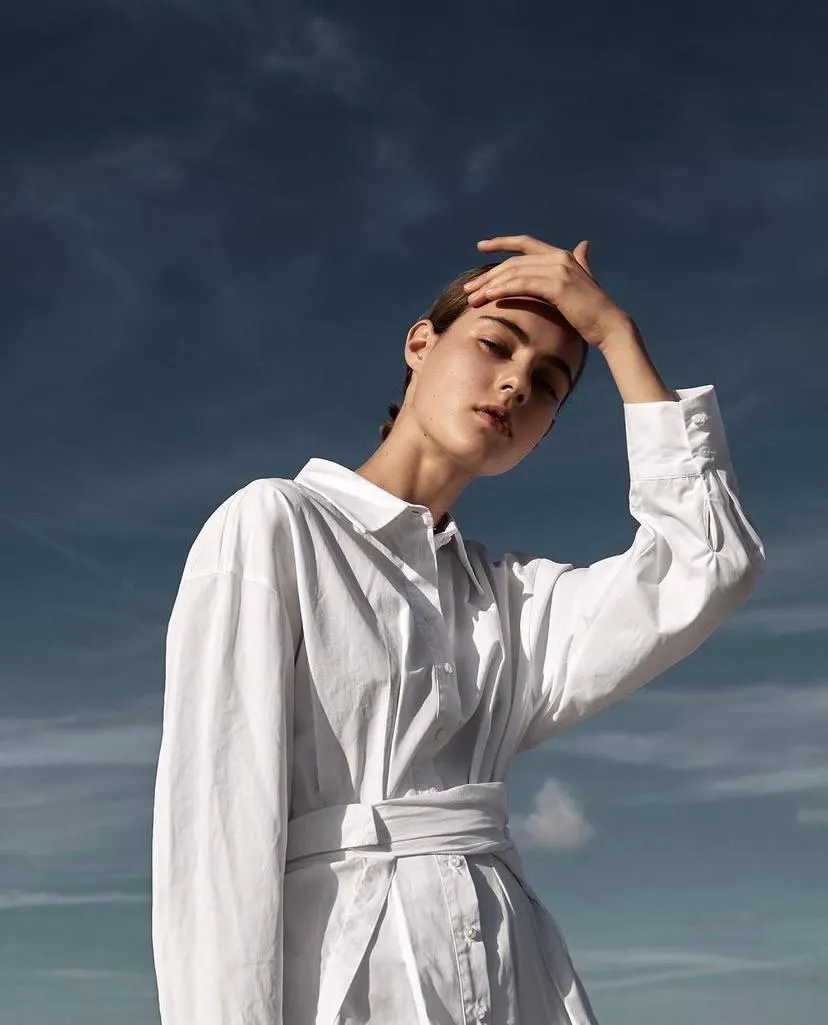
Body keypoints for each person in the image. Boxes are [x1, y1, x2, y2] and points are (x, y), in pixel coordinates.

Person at [151, 234, 766, 1025]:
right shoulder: (277, 524)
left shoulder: (509, 602)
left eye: (547, 383)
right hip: (348, 983)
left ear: (543, 432)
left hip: (516, 977)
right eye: (494, 344)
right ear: (419, 343)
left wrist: (615, 335)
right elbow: (216, 835)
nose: (515, 382)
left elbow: (709, 565)